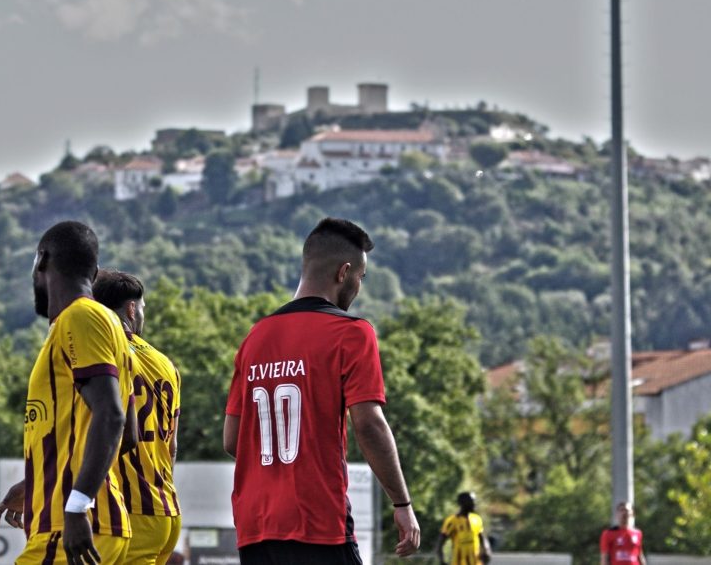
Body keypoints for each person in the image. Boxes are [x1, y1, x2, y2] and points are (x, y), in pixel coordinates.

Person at [223, 217, 421, 564]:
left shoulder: (254, 339)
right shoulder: (352, 332)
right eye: (361, 277)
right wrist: (402, 503)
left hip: (255, 528)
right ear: (344, 272)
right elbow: (369, 424)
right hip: (317, 522)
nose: (358, 287)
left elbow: (232, 440)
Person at [0, 221, 136, 565]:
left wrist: (77, 505)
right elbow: (127, 435)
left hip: (70, 524)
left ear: (41, 260)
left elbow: (111, 416)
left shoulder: (80, 318)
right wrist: (37, 484)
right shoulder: (103, 326)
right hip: (86, 520)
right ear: (95, 272)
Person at [94, 269, 183, 565]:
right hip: (166, 508)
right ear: (131, 309)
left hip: (129, 512)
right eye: (143, 308)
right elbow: (171, 447)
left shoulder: (102, 355)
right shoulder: (166, 364)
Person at [436, 492, 491, 565]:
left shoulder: (477, 519)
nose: (474, 504)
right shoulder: (452, 521)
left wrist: (487, 551)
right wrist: (442, 561)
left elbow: (482, 538)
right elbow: (440, 544)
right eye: (471, 501)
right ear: (462, 503)